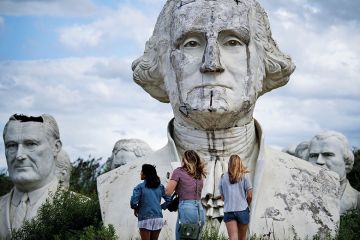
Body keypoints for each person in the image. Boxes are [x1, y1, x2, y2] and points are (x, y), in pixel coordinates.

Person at [98, 0, 340, 239]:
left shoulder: (318, 186)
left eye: (233, 42)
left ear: (264, 62)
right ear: (162, 66)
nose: (212, 63)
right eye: (191, 43)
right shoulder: (114, 186)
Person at [0, 114, 62, 239]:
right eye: (11, 145)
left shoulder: (84, 208)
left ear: (56, 147)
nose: (19, 155)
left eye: (31, 144)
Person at [308, 130, 359, 214]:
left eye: (328, 155)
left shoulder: (357, 200)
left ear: (346, 162)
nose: (318, 161)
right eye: (313, 156)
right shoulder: (296, 194)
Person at [165, 150, 207, 240]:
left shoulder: (178, 171)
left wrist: (171, 179)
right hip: (200, 210)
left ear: (184, 159)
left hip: (186, 209)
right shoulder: (199, 174)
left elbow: (168, 191)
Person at [130, 164, 170, 240]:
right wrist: (160, 207)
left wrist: (136, 208)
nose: (140, 173)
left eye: (141, 172)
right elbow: (169, 200)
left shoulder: (139, 187)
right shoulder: (160, 186)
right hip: (158, 218)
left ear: (145, 174)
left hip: (145, 218)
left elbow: (133, 202)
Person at [219, 155, 252, 240]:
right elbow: (249, 195)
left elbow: (222, 198)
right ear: (240, 163)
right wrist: (246, 204)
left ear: (229, 164)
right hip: (242, 209)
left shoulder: (223, 177)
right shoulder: (245, 175)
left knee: (233, 238)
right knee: (242, 238)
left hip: (229, 210)